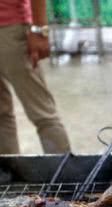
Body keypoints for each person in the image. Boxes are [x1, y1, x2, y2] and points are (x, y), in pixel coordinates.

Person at [0, 0, 71, 154]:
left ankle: (64, 175)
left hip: (10, 28)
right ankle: (10, 174)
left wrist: (40, 29)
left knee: (42, 113)